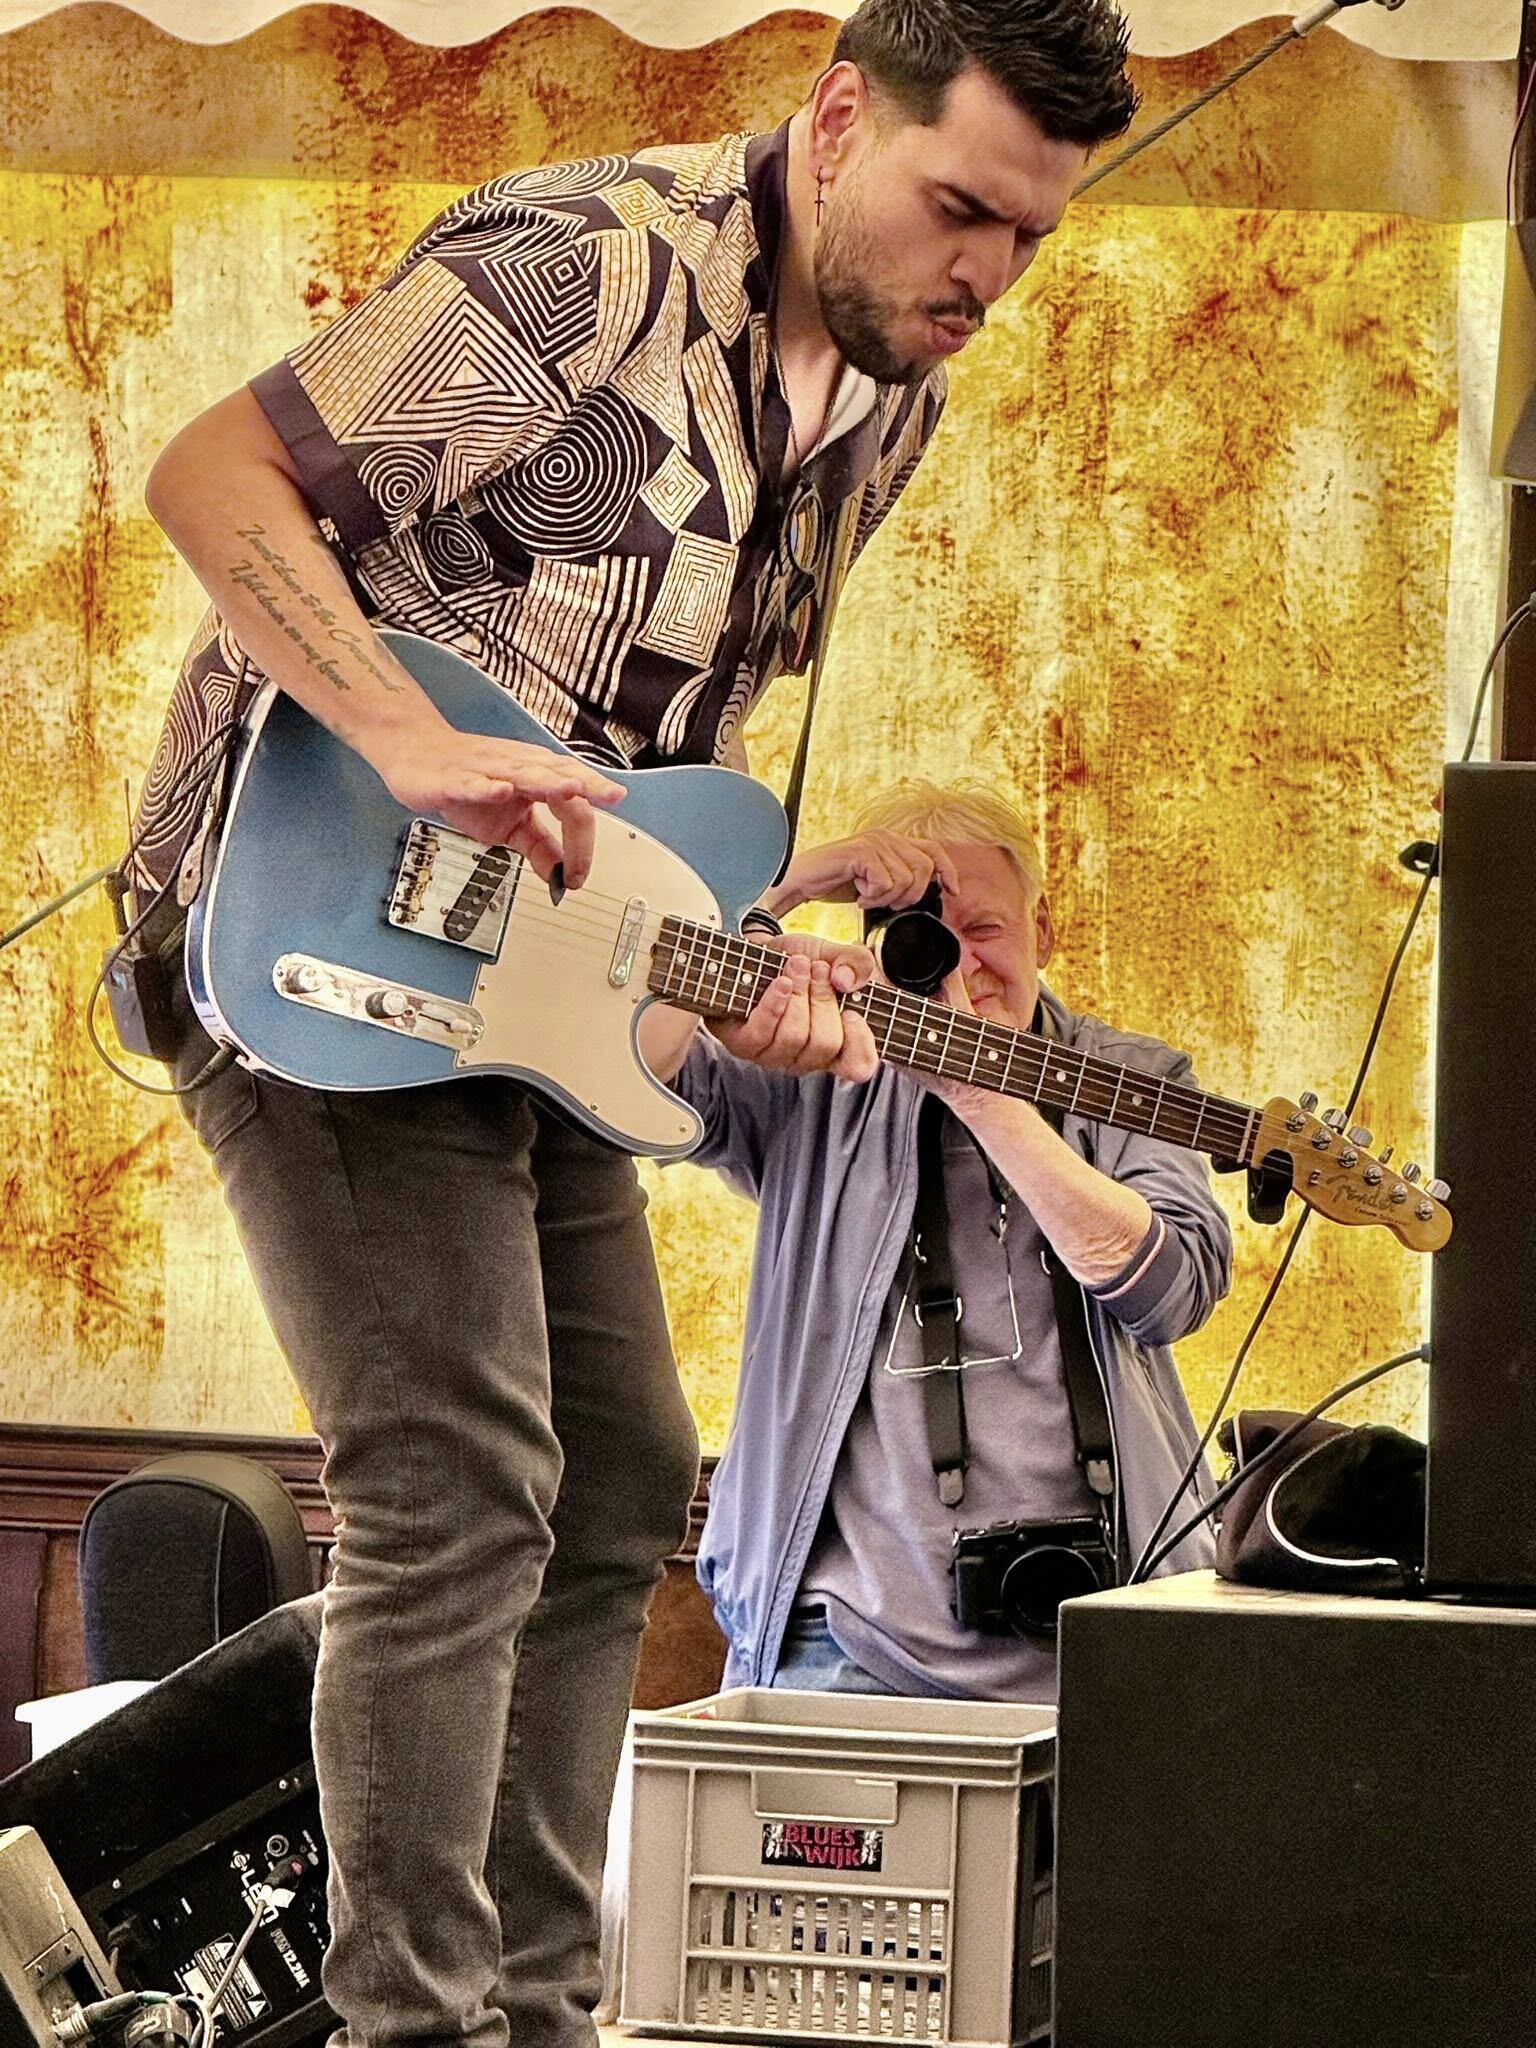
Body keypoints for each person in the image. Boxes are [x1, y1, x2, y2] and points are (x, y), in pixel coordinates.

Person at [125, 5, 1137, 2046]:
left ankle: (537, 2006)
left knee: (616, 1481)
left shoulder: (885, 407)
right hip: (316, 925)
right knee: (460, 1474)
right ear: (842, 116)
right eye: (958, 210)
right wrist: (405, 737)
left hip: (545, 979)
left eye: (1025, 243)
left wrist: (742, 968)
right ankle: (415, 2022)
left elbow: (676, 770)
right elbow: (214, 470)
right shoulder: (579, 266)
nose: (983, 280)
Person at [663, 780, 1233, 1700]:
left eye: (988, 932)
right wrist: (783, 891)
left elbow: (1169, 1289)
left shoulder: (1129, 1078)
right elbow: (639, 1044)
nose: (959, 968)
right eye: (925, 940)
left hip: (1110, 1633)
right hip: (842, 1641)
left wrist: (976, 1086)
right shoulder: (814, 1071)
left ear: (1044, 929)